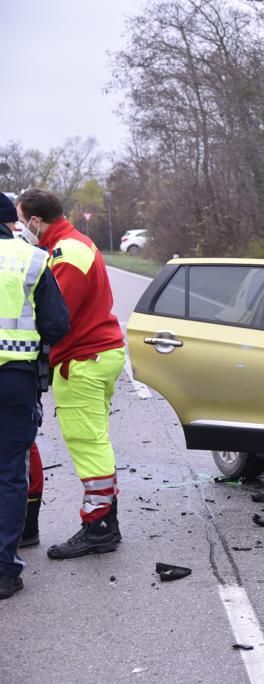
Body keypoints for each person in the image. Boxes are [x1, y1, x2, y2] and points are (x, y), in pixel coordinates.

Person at [16, 189, 126, 559]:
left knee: (87, 444)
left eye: (22, 219)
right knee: (96, 439)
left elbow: (56, 316)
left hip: (82, 360)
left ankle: (98, 527)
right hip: (97, 355)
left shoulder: (66, 252)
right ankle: (105, 521)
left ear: (34, 220)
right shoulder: (75, 244)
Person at [0, 192, 69, 598]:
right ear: (12, 223)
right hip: (15, 380)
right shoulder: (31, 260)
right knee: (9, 473)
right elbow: (58, 325)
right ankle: (5, 570)